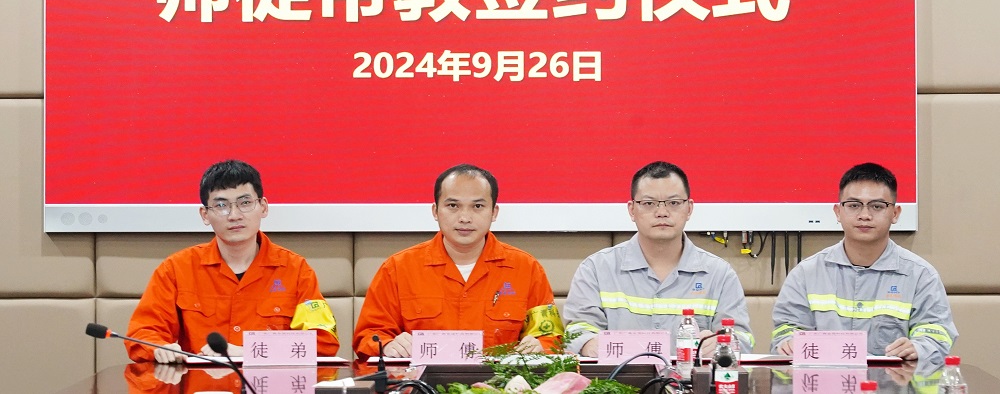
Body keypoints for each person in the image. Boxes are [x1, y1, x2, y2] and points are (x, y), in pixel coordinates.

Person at [126, 160, 339, 362]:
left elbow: (323, 342)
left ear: (263, 207)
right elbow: (143, 332)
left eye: (245, 203)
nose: (234, 215)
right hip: (200, 383)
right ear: (205, 215)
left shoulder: (296, 270)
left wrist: (249, 352)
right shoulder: (176, 269)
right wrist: (160, 349)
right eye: (221, 205)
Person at [353, 163, 563, 358]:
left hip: (502, 382)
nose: (465, 217)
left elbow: (551, 337)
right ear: (435, 211)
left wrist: (541, 346)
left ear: (494, 212)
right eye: (453, 205)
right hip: (421, 381)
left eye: (477, 206)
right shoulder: (398, 268)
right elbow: (369, 336)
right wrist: (388, 345)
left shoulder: (526, 268)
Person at [771, 162, 957, 365]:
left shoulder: (920, 275)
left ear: (895, 214)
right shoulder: (806, 274)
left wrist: (920, 347)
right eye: (854, 205)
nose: (864, 215)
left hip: (894, 382)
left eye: (877, 206)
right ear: (838, 212)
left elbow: (937, 333)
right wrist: (788, 342)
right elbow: (786, 330)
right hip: (825, 380)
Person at [562, 161, 754, 357]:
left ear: (689, 209)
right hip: (618, 376)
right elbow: (577, 331)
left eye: (674, 203)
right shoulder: (596, 269)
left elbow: (743, 340)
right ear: (632, 210)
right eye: (648, 203)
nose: (662, 212)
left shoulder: (719, 274)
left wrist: (723, 344)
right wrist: (589, 343)